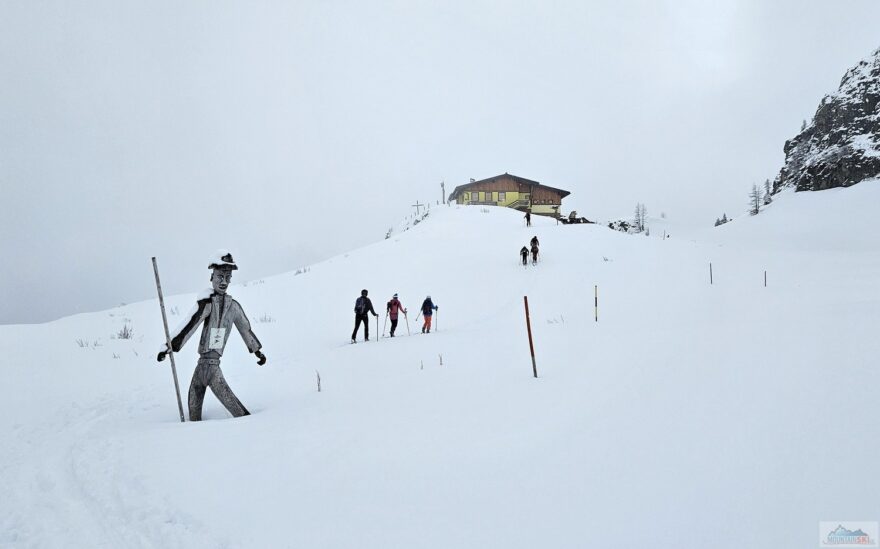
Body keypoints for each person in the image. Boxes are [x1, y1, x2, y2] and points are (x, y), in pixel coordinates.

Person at [157, 250, 266, 421]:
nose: (223, 281)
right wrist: (170, 346)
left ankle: (253, 427)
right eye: (219, 277)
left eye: (227, 277)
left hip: (214, 369)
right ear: (212, 277)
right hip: (200, 368)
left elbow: (245, 329)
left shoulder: (234, 307)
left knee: (237, 411)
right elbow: (189, 325)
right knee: (193, 414)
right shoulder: (207, 302)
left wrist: (256, 350)